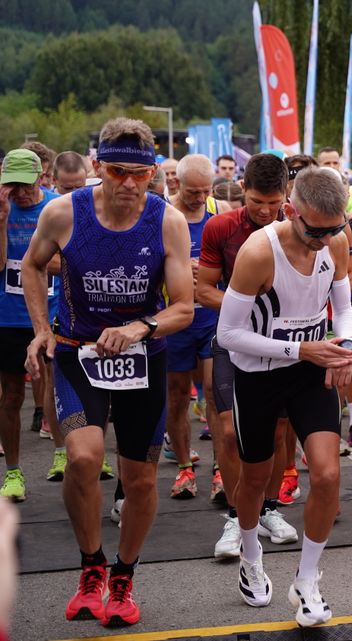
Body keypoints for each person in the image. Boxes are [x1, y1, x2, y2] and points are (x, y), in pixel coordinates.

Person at [23, 117, 195, 627]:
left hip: (143, 360)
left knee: (140, 482)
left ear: (154, 173)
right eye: (116, 171)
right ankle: (91, 567)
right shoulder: (62, 212)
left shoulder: (167, 222)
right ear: (97, 166)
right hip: (79, 354)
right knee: (82, 456)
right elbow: (32, 265)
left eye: (138, 175)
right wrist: (41, 330)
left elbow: (183, 308)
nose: (127, 184)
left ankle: (123, 575)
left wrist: (141, 327)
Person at [216, 167, 352, 627]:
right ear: (290, 211)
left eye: (334, 228)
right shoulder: (260, 252)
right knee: (256, 478)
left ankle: (308, 579)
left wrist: (346, 349)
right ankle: (251, 555)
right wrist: (300, 348)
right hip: (258, 375)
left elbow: (344, 309)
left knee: (329, 472)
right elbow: (228, 333)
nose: (326, 239)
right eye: (316, 230)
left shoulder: (334, 239)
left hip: (310, 371)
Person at [198, 153, 299, 559]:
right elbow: (204, 289)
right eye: (257, 201)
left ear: (286, 194)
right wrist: (245, 309)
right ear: (242, 188)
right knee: (227, 430)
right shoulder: (221, 227)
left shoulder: (296, 227)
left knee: (276, 432)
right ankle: (236, 516)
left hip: (282, 344)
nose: (264, 210)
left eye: (273, 202)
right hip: (234, 338)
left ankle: (269, 509)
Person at [0, 150, 62, 501]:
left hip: (53, 310)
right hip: (8, 313)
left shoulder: (56, 209)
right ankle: (13, 473)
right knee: (10, 394)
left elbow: (66, 261)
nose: (20, 193)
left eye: (26, 185)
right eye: (12, 186)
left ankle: (61, 453)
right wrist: (1, 218)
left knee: (56, 385)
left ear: (42, 176)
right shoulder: (3, 209)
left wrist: (34, 266)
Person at [164, 155, 222, 500]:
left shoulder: (217, 220)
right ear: (177, 184)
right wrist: (182, 268)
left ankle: (220, 470)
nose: (200, 198)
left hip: (210, 319)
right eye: (193, 192)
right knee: (176, 397)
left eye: (205, 191)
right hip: (174, 321)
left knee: (215, 393)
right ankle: (185, 468)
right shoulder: (162, 218)